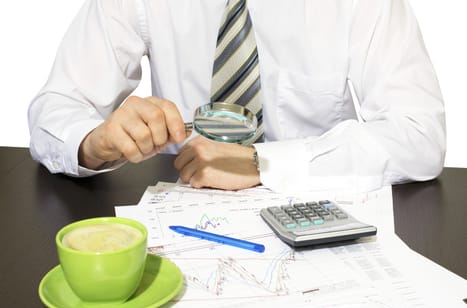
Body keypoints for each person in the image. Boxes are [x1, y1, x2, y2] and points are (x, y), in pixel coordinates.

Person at [28, 0, 446, 193]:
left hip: (316, 210)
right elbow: (56, 107)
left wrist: (265, 164)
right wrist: (92, 142)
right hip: (183, 215)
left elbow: (420, 134)